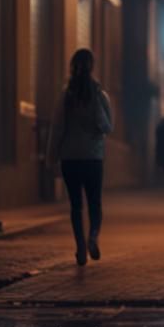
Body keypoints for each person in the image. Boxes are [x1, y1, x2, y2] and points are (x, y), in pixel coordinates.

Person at [45, 49, 113, 265]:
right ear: (92, 67)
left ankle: (81, 248)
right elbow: (108, 127)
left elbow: (57, 128)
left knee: (75, 205)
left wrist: (51, 157)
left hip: (70, 158)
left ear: (72, 66)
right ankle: (93, 236)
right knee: (95, 202)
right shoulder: (100, 95)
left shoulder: (65, 96)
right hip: (93, 158)